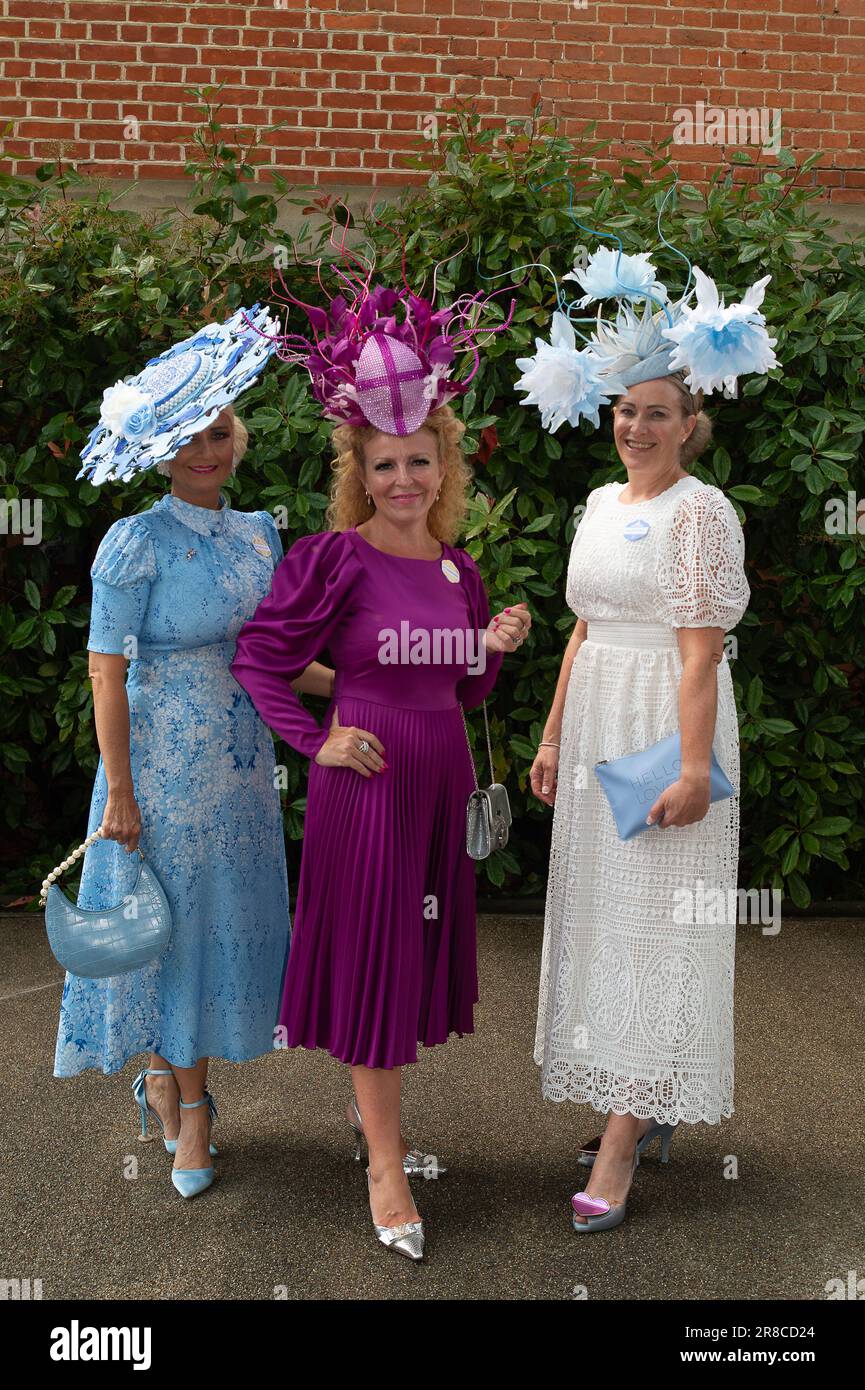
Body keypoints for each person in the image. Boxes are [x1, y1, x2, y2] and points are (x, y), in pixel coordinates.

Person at [231, 263, 530, 1259]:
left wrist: (487, 651)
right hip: (365, 787)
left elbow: (462, 694)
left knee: (405, 966)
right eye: (384, 466)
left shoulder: (457, 569)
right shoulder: (334, 559)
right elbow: (261, 658)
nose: (403, 480)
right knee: (372, 967)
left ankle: (379, 1124)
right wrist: (318, 738)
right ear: (357, 473)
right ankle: (385, 1165)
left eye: (419, 462)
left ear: (445, 467)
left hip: (438, 783)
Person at [515, 238, 778, 1231]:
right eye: (623, 410)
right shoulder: (592, 504)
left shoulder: (702, 516)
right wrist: (545, 743)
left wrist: (692, 768)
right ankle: (640, 1096)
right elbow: (581, 628)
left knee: (659, 925)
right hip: (592, 726)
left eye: (654, 412)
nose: (634, 426)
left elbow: (701, 654)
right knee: (604, 925)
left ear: (689, 423)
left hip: (666, 725)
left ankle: (624, 1136)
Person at [54, 307, 334, 1200]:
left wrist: (391, 681)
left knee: (216, 929)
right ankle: (187, 1106)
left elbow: (285, 654)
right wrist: (120, 796)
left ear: (238, 437)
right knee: (164, 930)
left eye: (216, 433)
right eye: (185, 439)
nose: (204, 452)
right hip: (159, 768)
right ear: (161, 452)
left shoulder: (260, 534)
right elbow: (104, 675)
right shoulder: (132, 542)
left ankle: (183, 1089)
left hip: (246, 766)